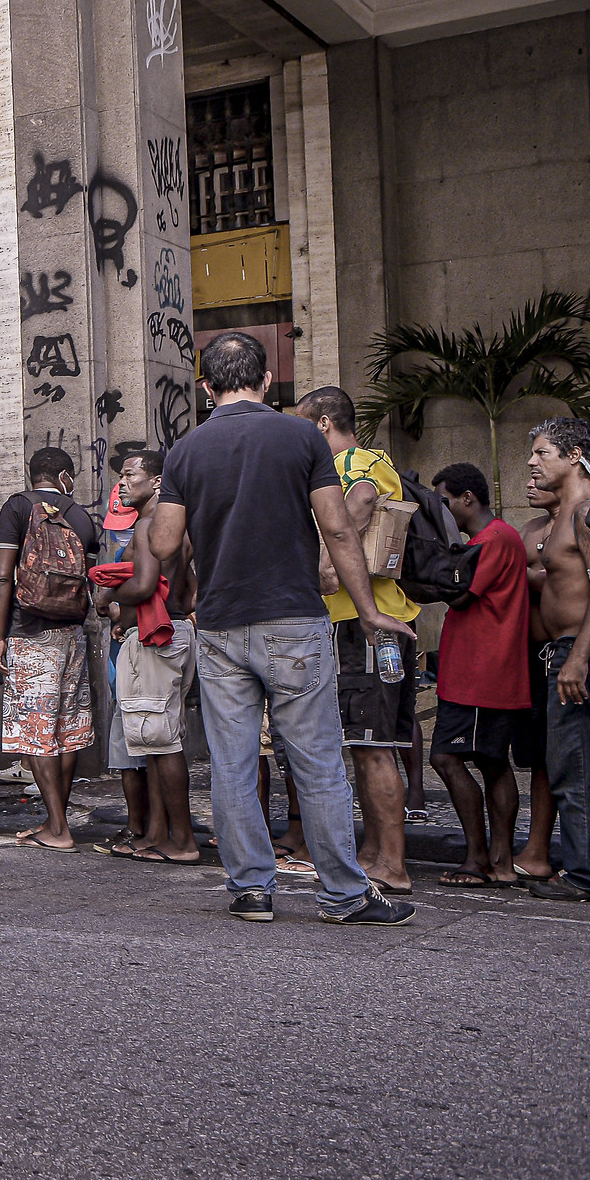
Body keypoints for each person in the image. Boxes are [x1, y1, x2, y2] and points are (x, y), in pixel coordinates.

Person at [148, 331, 416, 925]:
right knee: (316, 762)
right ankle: (344, 896)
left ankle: (250, 889)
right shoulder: (301, 436)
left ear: (204, 385)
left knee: (234, 761)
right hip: (294, 619)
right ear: (268, 381)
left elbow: (165, 542)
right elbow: (341, 530)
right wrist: (368, 611)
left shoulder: (186, 450)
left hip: (220, 625)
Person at [296, 386, 418, 895]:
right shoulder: (338, 467)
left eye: (305, 425)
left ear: (323, 424)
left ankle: (393, 861)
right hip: (350, 624)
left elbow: (364, 499)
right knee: (360, 744)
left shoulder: (359, 461)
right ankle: (372, 851)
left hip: (370, 626)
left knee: (374, 747)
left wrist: (327, 565)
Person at [523, 418, 590, 922]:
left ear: (575, 455)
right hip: (565, 655)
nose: (532, 462)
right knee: (580, 767)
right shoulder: (560, 515)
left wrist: (580, 657)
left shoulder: (587, 511)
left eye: (543, 453)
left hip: (588, 657)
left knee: (583, 769)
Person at [426, 462, 531, 888]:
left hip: (481, 671)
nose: (445, 510)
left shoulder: (495, 539)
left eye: (445, 501)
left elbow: (462, 593)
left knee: (447, 757)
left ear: (467, 498)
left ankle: (480, 859)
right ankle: (498, 861)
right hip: (483, 670)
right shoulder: (494, 539)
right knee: (490, 761)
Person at [0, 446, 100, 850]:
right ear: (65, 476)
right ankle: (56, 821)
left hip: (29, 632)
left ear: (32, 474)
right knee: (65, 732)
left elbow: (3, 576)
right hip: (72, 634)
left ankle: (57, 828)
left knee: (35, 733)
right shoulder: (82, 516)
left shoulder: (17, 508)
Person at [96, 450, 199, 864]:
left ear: (156, 481)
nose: (121, 483)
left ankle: (183, 841)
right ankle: (158, 833)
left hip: (157, 638)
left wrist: (108, 595)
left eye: (129, 475)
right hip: (178, 631)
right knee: (156, 742)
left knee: (161, 742)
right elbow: (190, 589)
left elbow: (141, 586)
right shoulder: (179, 524)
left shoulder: (148, 526)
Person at [514, 477, 563, 885]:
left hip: (563, 652)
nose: (531, 481)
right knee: (535, 758)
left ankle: (542, 849)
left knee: (560, 759)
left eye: (539, 467)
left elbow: (564, 582)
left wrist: (524, 574)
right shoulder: (529, 529)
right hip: (528, 656)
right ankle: (536, 846)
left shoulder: (580, 520)